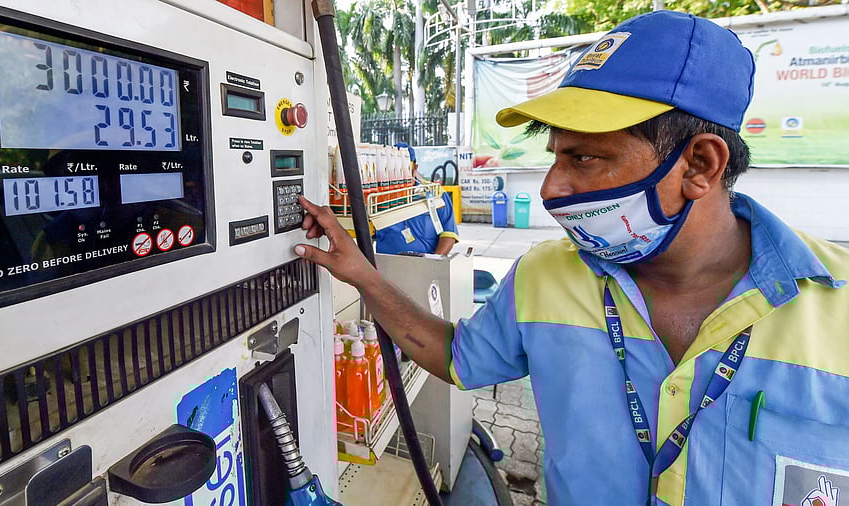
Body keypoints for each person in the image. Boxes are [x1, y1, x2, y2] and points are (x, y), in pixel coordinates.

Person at [294, 10, 849, 506]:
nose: (551, 188)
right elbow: (457, 357)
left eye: (584, 158)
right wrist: (363, 275)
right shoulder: (544, 275)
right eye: (555, 156)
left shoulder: (838, 306)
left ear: (700, 165)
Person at [373, 143, 459, 256]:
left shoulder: (435, 193)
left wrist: (433, 262)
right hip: (386, 263)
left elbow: (449, 234)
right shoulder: (377, 198)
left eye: (403, 169)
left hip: (424, 263)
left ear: (415, 167)